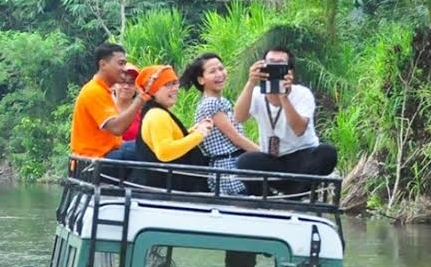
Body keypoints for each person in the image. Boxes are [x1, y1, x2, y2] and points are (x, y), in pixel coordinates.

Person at [233, 47, 338, 189]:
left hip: (301, 158)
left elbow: (299, 129)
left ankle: (294, 198)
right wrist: (251, 82)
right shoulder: (256, 93)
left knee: (327, 152)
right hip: (273, 160)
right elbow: (238, 117)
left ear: (289, 71)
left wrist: (284, 96)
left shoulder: (302, 93)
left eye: (279, 64)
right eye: (270, 63)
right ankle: (269, 202)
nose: (274, 68)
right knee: (244, 162)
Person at [181, 53, 255, 195]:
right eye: (212, 71)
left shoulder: (220, 101)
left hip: (233, 165)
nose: (220, 74)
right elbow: (236, 138)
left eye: (221, 69)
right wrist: (264, 155)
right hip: (229, 168)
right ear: (201, 80)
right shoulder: (211, 103)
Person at [132, 64, 213, 189]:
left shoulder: (156, 112)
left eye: (175, 83)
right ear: (153, 90)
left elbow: (171, 140)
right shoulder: (157, 115)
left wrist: (193, 131)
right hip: (167, 190)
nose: (174, 88)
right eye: (167, 85)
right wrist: (199, 135)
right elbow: (165, 151)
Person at [70, 43, 147, 161]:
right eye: (120, 63)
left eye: (124, 64)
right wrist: (141, 99)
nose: (123, 68)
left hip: (109, 153)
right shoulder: (94, 91)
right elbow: (117, 128)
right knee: (148, 147)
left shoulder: (105, 91)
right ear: (103, 64)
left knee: (148, 143)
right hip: (95, 160)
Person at [116, 63, 142, 142]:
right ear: (113, 84)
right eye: (122, 81)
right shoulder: (103, 109)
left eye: (131, 83)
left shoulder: (142, 114)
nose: (126, 86)